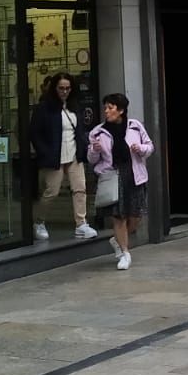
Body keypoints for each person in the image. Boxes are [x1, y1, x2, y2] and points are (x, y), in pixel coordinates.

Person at [88, 92, 153, 270]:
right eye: (106, 108)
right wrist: (94, 150)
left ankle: (117, 240)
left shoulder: (135, 126)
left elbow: (149, 146)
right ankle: (125, 253)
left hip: (134, 175)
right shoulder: (98, 132)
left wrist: (139, 148)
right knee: (119, 217)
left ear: (121, 110)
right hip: (113, 176)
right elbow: (92, 159)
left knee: (136, 216)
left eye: (111, 108)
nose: (107, 111)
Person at [29, 72, 95, 242]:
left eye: (67, 88)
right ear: (54, 89)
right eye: (61, 88)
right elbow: (35, 133)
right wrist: (44, 152)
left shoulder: (74, 106)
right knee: (51, 191)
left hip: (73, 153)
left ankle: (81, 223)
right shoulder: (44, 108)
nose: (64, 91)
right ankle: (39, 221)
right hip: (54, 155)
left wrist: (83, 148)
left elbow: (78, 130)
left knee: (80, 188)